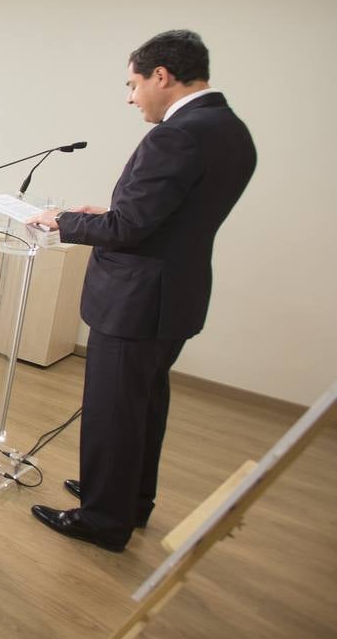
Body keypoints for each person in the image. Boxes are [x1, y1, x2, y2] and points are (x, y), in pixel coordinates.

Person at [26, 30, 256, 552]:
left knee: (113, 410)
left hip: (135, 300)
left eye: (133, 85)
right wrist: (108, 214)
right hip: (176, 294)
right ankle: (129, 498)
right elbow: (169, 217)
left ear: (162, 76)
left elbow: (129, 230)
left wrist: (63, 220)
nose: (131, 98)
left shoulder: (176, 135)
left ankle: (102, 520)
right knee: (144, 405)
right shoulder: (231, 129)